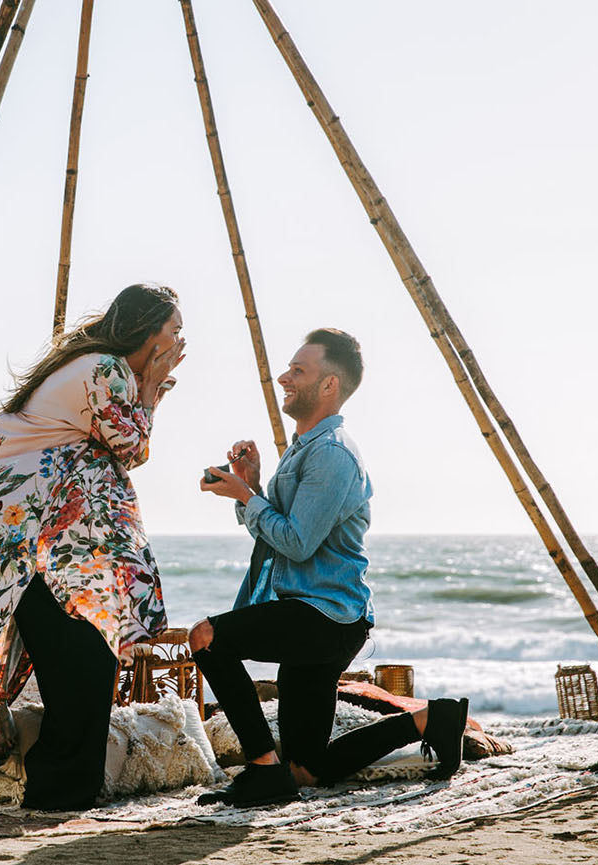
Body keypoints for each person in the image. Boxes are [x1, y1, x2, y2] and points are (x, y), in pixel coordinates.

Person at [191, 328, 468, 808]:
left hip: (325, 617)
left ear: (329, 386)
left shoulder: (333, 454)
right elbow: (274, 528)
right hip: (313, 614)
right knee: (307, 770)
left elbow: (296, 544)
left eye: (298, 370)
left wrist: (246, 496)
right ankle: (433, 720)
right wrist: (250, 485)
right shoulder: (303, 449)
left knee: (207, 638)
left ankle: (262, 771)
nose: (284, 377)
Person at [0, 283, 185, 811]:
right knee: (80, 650)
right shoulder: (109, 368)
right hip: (19, 511)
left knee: (70, 643)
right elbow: (131, 447)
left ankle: (59, 783)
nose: (180, 340)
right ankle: (61, 787)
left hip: (15, 509)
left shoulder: (94, 362)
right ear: (148, 332)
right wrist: (149, 389)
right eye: (174, 330)